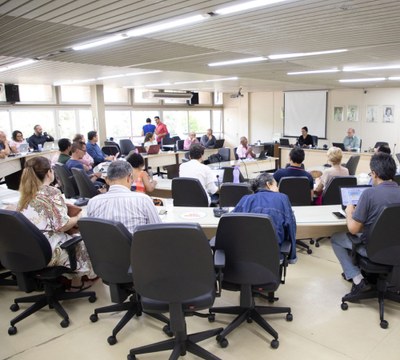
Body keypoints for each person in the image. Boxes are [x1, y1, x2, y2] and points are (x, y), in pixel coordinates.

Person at [17, 156, 96, 286]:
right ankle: (79, 278)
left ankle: (63, 279)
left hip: (28, 248)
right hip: (48, 250)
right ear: (49, 173)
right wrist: (78, 216)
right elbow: (63, 226)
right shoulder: (51, 192)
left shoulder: (25, 193)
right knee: (86, 241)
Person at [331, 152, 400, 298]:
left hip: (374, 251)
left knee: (336, 238)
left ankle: (358, 280)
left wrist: (350, 211)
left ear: (374, 174)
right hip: (397, 249)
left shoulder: (369, 194)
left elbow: (353, 228)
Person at [232, 173, 297, 263]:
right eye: (276, 185)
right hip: (275, 256)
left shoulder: (245, 199)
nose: (278, 189)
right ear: (268, 184)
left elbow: (231, 222)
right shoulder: (282, 198)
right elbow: (291, 227)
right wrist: (291, 257)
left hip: (246, 255)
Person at [86, 161, 161, 235]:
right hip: (136, 246)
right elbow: (158, 230)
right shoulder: (143, 200)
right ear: (129, 178)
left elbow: (92, 233)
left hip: (102, 246)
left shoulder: (93, 202)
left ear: (107, 180)